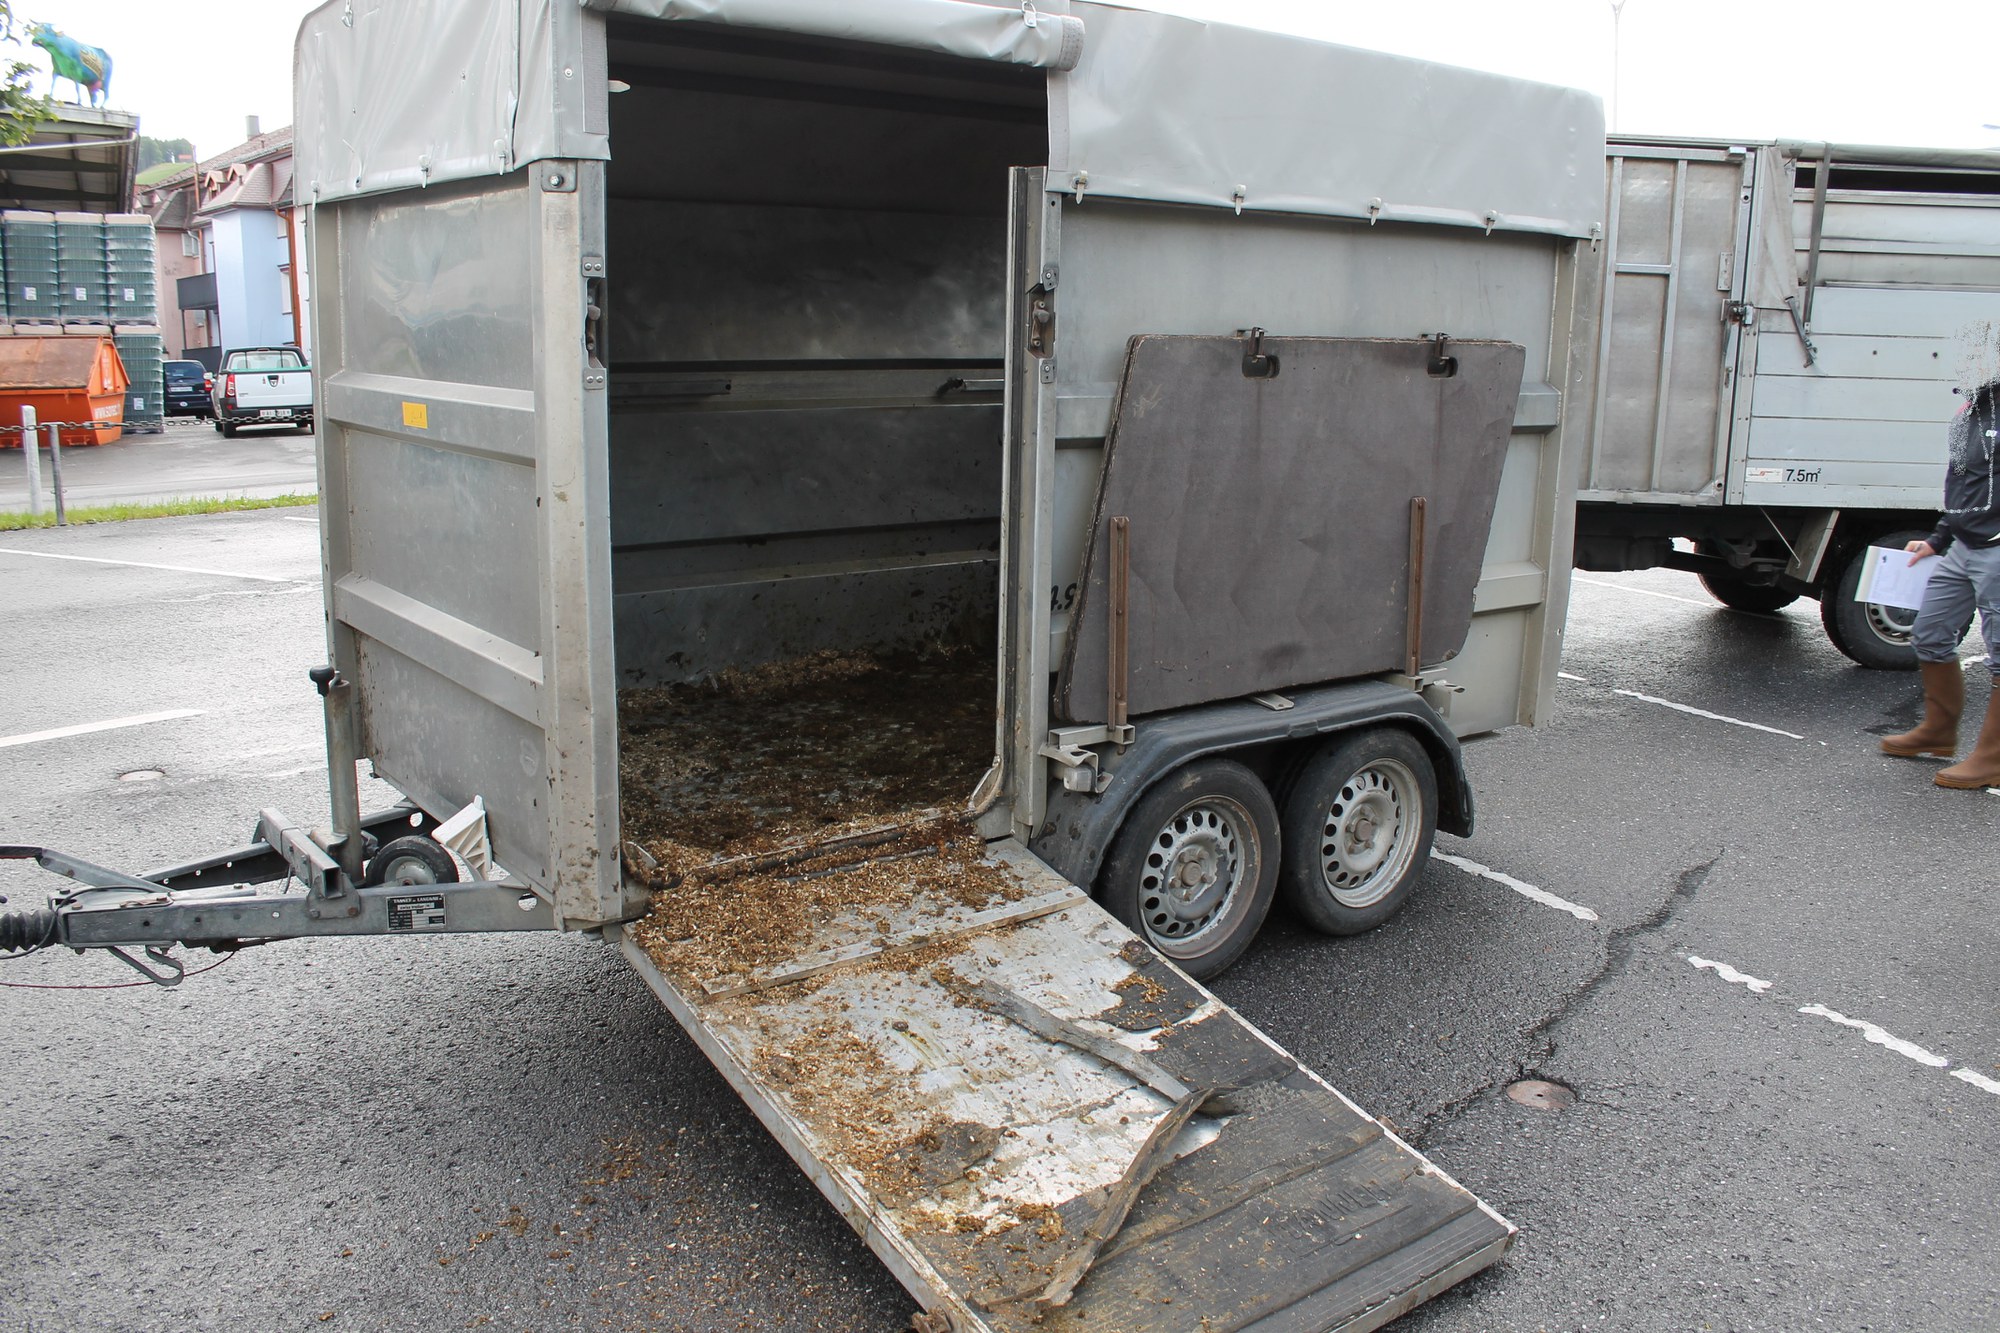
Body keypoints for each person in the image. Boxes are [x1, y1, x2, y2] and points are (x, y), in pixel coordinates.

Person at [1881, 320, 2000, 788]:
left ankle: (1991, 758)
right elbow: (1962, 481)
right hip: (1963, 545)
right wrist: (1938, 537)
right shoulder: (1973, 407)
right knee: (1929, 634)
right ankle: (1938, 732)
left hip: (1996, 551)